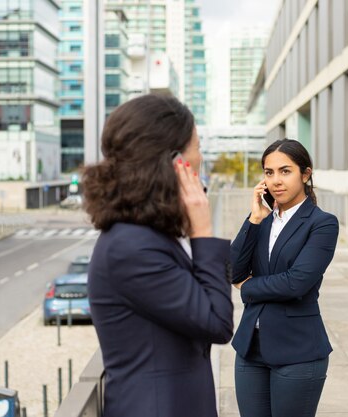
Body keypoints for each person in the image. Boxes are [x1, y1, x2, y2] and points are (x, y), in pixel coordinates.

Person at [83, 94, 234, 417]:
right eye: (197, 146)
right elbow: (217, 322)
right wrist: (203, 230)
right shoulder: (132, 248)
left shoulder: (145, 235)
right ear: (176, 161)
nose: (201, 158)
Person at [230, 138, 339, 417]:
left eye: (285, 171)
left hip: (298, 353)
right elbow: (232, 270)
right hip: (250, 350)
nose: (276, 180)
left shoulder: (322, 223)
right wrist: (253, 220)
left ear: (306, 174)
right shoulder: (262, 219)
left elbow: (296, 283)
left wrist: (248, 287)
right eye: (269, 172)